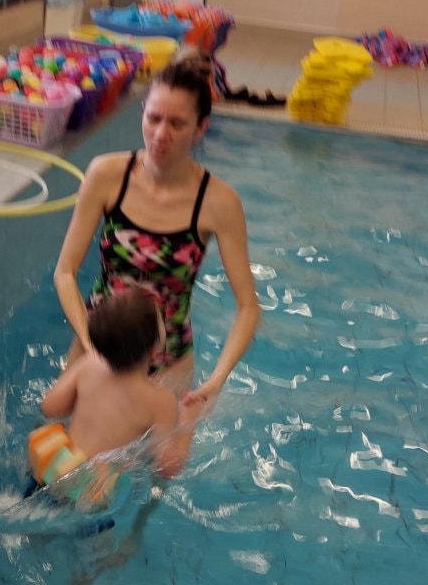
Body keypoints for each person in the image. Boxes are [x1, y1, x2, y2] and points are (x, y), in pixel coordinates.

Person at [53, 55, 258, 415]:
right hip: (96, 345)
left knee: (162, 453)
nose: (161, 134)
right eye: (154, 118)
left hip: (167, 363)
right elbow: (65, 272)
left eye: (177, 124)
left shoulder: (218, 202)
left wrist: (216, 381)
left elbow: (248, 307)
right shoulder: (107, 175)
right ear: (142, 114)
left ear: (201, 127)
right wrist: (90, 344)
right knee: (56, 440)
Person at [28, 289, 197, 509]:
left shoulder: (89, 363)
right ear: (155, 351)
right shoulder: (160, 400)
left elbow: (50, 407)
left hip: (56, 467)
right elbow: (168, 467)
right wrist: (188, 421)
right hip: (90, 491)